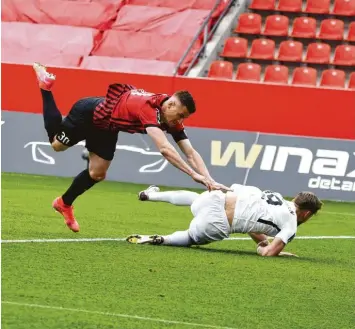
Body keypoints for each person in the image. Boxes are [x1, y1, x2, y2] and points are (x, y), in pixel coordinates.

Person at [33, 63, 230, 233]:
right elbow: (165, 149)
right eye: (180, 115)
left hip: (107, 127)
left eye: (183, 117)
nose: (180, 120)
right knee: (57, 145)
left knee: (97, 173)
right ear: (170, 105)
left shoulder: (169, 116)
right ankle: (45, 87)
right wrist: (193, 175)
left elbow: (190, 152)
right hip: (88, 114)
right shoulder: (148, 110)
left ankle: (63, 203)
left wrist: (209, 180)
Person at [126, 184, 323, 257]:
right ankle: (163, 239)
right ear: (306, 213)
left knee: (195, 198)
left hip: (214, 199)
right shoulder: (290, 224)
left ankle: (150, 196)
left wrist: (263, 240)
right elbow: (269, 253)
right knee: (190, 238)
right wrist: (263, 248)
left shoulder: (275, 196)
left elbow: (252, 221)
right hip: (218, 223)